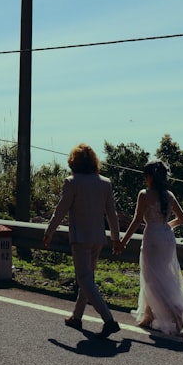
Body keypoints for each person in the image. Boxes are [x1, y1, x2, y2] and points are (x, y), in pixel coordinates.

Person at [43, 143, 123, 338]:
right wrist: (115, 238)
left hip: (80, 238)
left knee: (84, 279)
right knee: (88, 278)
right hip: (98, 238)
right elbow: (112, 214)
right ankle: (76, 316)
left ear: (74, 162)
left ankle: (109, 319)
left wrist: (49, 231)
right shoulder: (105, 182)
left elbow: (61, 210)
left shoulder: (72, 182)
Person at [120, 159, 183, 338]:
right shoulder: (170, 195)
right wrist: (167, 226)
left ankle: (176, 313)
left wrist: (124, 240)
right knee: (163, 276)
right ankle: (148, 315)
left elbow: (136, 221)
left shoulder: (144, 194)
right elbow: (182, 219)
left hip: (152, 237)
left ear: (150, 177)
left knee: (152, 277)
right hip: (167, 236)